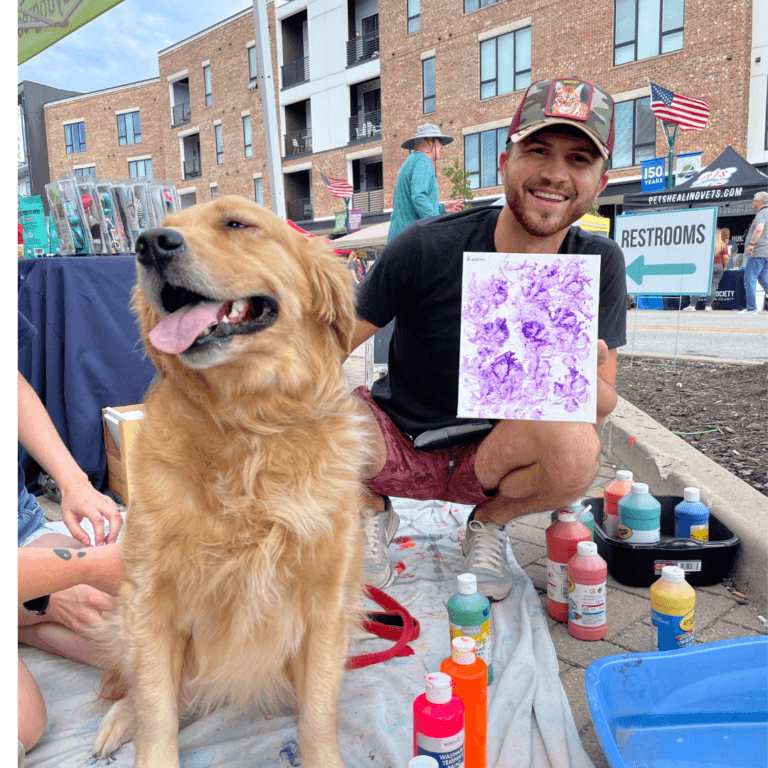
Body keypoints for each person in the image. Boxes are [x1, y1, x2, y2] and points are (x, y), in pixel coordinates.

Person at [348, 77, 627, 599]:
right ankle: (369, 511)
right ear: (505, 163)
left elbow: (602, 405)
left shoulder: (598, 262)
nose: (554, 174)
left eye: (579, 160)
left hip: (494, 456)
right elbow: (324, 353)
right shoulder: (424, 247)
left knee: (576, 449)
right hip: (399, 438)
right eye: (538, 150)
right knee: (307, 418)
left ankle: (490, 523)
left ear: (600, 184)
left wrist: (574, 374)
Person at [18, 310, 124, 757]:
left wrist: (73, 481)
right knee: (21, 724)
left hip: (19, 532)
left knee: (162, 648)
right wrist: (47, 593)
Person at [388, 123, 464, 242]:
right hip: (411, 241)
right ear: (430, 141)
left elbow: (414, 204)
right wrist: (437, 223)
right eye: (439, 142)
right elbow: (419, 197)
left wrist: (442, 208)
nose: (442, 146)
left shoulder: (411, 161)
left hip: (401, 239)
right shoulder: (423, 162)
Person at [684, 227, 730, 311]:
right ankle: (708, 306)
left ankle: (692, 305)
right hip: (719, 266)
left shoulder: (706, 243)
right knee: (713, 286)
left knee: (699, 285)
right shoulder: (723, 245)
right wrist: (724, 266)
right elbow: (726, 258)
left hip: (707, 267)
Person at [739, 191, 768, 314]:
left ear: (759, 202)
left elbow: (759, 228)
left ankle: (751, 308)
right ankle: (751, 307)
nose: (752, 202)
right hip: (765, 252)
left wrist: (751, 244)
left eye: (754, 200)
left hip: (757, 252)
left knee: (749, 280)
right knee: (764, 280)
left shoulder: (761, 214)